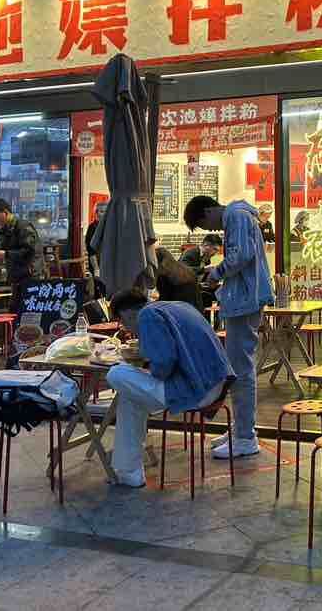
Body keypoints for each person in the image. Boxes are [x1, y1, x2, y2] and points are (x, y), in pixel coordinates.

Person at [106, 290, 235, 488]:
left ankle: (129, 471)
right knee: (129, 396)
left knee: (116, 373)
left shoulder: (147, 315)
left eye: (122, 322)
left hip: (195, 389)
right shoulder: (177, 305)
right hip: (214, 383)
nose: (126, 328)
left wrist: (145, 368)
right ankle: (129, 473)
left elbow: (163, 365)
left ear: (127, 314)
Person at [183, 194, 273, 459]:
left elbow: (240, 256)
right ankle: (241, 429)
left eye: (204, 224)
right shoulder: (241, 216)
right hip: (244, 299)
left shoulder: (236, 216)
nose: (211, 229)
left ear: (208, 211)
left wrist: (216, 273)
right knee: (238, 367)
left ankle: (245, 437)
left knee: (241, 369)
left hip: (245, 301)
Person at [0, 197, 46, 313]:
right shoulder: (4, 229)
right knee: (15, 309)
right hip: (16, 276)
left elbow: (29, 250)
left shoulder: (23, 226)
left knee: (28, 310)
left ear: (5, 212)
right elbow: (6, 249)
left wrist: (6, 254)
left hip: (30, 274)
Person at [85, 200, 108, 295]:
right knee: (99, 291)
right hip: (97, 264)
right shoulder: (92, 227)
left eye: (105, 212)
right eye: (101, 211)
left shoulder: (110, 226)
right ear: (96, 213)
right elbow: (91, 251)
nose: (103, 214)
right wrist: (96, 268)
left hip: (109, 264)